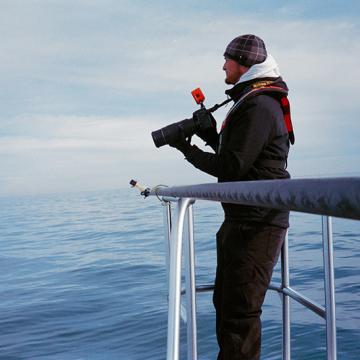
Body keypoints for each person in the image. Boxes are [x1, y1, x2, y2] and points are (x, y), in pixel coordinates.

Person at [167, 34, 293, 359]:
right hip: (242, 219)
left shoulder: (259, 105)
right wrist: (211, 134)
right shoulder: (251, 101)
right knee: (225, 302)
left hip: (258, 221)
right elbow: (239, 156)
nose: (223, 65)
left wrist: (187, 147)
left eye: (227, 59)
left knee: (239, 313)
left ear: (243, 64)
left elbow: (232, 166)